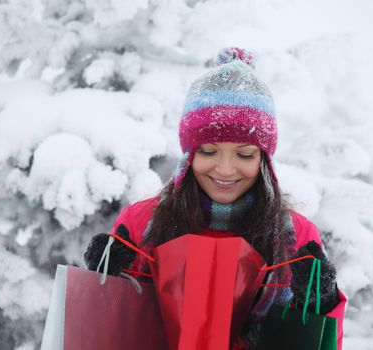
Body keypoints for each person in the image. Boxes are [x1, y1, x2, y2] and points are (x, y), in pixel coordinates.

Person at [84, 47, 347, 349]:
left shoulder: (296, 236)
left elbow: (318, 341)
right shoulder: (141, 223)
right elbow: (107, 331)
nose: (225, 169)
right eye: (208, 151)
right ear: (188, 155)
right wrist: (105, 283)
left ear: (264, 159)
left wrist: (321, 305)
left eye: (245, 154)